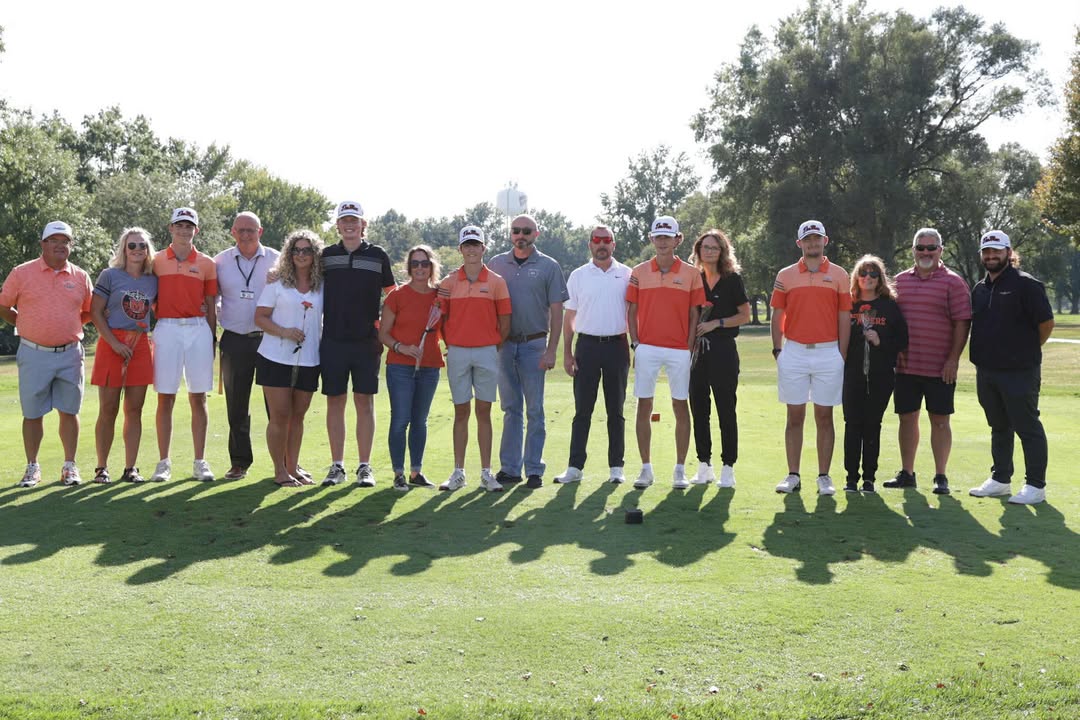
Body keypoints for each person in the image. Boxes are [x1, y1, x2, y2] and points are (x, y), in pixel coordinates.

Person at [0, 220, 93, 487]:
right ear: (43, 244)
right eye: (54, 240)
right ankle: (32, 467)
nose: (60, 245)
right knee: (32, 413)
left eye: (65, 242)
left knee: (69, 410)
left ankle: (69, 466)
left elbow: (88, 311)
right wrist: (25, 323)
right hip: (33, 352)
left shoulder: (80, 276)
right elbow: (4, 305)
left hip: (70, 354)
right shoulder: (22, 273)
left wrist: (68, 325)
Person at [967, 230, 1055, 505]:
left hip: (1020, 371)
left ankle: (1035, 485)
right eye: (987, 252)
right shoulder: (980, 288)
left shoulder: (1026, 285)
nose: (991, 256)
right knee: (999, 426)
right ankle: (1001, 479)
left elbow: (1046, 324)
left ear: (1008, 252)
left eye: (997, 251)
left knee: (1027, 426)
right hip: (987, 370)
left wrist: (1024, 351)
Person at [771, 220, 851, 496]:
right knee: (794, 415)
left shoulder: (840, 275)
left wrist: (841, 353)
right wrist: (778, 350)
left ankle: (824, 476)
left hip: (829, 351)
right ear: (800, 244)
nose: (813, 244)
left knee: (824, 415)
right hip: (793, 351)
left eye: (817, 239)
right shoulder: (786, 275)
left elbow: (844, 316)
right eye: (808, 240)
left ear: (825, 241)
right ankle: (793, 475)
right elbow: (777, 314)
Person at [888, 228, 971, 495]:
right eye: (920, 248)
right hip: (906, 366)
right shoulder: (899, 281)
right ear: (913, 250)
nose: (926, 252)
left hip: (940, 367)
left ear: (940, 250)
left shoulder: (954, 282)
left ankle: (940, 476)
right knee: (907, 419)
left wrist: (953, 361)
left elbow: (962, 323)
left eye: (931, 247)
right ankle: (907, 473)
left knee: (940, 421)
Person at [319, 201, 397, 487]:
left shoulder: (378, 255)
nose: (349, 225)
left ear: (363, 225)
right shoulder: (326, 255)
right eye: (344, 220)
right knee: (335, 401)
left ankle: (364, 466)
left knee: (364, 402)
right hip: (333, 340)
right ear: (337, 225)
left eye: (355, 220)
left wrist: (382, 328)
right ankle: (337, 466)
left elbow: (393, 294)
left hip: (366, 342)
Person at [488, 214, 568, 489]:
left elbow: (557, 311)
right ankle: (510, 468)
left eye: (526, 231)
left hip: (535, 344)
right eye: (515, 231)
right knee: (511, 408)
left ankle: (534, 469)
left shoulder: (549, 266)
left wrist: (551, 350)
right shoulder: (497, 264)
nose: (520, 235)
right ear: (510, 234)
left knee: (535, 409)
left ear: (536, 234)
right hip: (504, 345)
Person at [626, 216, 705, 490]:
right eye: (658, 237)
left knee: (680, 405)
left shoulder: (692, 273)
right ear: (651, 239)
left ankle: (680, 469)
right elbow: (632, 310)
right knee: (644, 405)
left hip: (678, 349)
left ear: (677, 239)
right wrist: (636, 342)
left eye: (667, 237)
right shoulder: (638, 271)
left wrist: (689, 342)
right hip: (647, 346)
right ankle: (646, 469)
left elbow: (695, 312)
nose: (662, 241)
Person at [554, 225, 631, 485]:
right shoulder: (578, 276)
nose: (602, 245)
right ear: (590, 244)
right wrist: (567, 352)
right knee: (582, 410)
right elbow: (570, 316)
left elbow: (635, 315)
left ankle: (616, 467)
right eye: (597, 240)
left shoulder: (627, 274)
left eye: (606, 240)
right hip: (586, 347)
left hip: (617, 346)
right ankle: (575, 467)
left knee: (615, 410)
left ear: (613, 244)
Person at [437, 226, 512, 492]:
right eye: (466, 245)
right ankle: (458, 473)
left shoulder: (496, 282)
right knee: (461, 411)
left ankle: (485, 473)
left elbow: (505, 322)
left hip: (486, 351)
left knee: (484, 412)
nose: (471, 249)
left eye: (475, 245)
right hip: (457, 351)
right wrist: (451, 343)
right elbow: (441, 318)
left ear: (483, 249)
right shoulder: (447, 283)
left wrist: (492, 345)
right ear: (460, 249)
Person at [150, 207, 218, 482]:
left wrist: (212, 339)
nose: (184, 230)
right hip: (166, 328)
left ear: (196, 231)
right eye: (179, 225)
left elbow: (212, 305)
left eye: (189, 226)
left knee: (198, 396)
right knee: (165, 396)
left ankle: (200, 461)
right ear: (170, 228)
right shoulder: (154, 261)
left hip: (198, 328)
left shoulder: (206, 263)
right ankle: (163, 462)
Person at [254, 230, 324, 487]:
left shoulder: (322, 284)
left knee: (298, 416)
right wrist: (284, 332)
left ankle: (293, 467)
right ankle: (279, 471)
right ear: (289, 254)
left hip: (309, 359)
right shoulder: (277, 282)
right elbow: (259, 317)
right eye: (297, 250)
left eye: (307, 250)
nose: (302, 255)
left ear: (315, 255)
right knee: (280, 415)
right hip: (274, 357)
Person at [89, 228, 158, 484]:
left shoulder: (153, 279)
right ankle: (101, 468)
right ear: (123, 249)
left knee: (134, 410)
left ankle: (131, 468)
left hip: (140, 345)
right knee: (108, 409)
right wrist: (115, 344)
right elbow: (95, 312)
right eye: (132, 246)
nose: (138, 250)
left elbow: (164, 305)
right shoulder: (110, 275)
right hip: (112, 344)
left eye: (142, 245)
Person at [214, 211, 280, 480]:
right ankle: (240, 461)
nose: (245, 234)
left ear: (260, 232)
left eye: (250, 230)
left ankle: (285, 461)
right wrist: (219, 315)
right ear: (232, 232)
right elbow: (211, 298)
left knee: (276, 406)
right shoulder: (220, 261)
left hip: (270, 339)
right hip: (234, 339)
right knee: (237, 405)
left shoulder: (277, 259)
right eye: (240, 230)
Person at [687, 229, 751, 488]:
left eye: (715, 247)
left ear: (722, 251)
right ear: (699, 251)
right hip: (697, 354)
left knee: (726, 410)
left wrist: (717, 324)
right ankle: (704, 465)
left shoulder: (732, 279)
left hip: (724, 351)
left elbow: (744, 315)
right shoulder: (694, 278)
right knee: (699, 410)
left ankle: (728, 467)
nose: (710, 251)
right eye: (706, 247)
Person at [378, 245, 444, 491]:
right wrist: (400, 347)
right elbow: (383, 334)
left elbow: (447, 327)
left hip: (430, 367)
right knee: (400, 420)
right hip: (400, 367)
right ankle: (398, 473)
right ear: (408, 268)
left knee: (420, 420)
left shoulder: (440, 296)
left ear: (431, 267)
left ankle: (416, 471)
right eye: (415, 264)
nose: (419, 268)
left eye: (424, 263)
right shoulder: (396, 296)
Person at [841, 255, 908, 493]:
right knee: (852, 424)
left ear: (880, 278)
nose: (867, 278)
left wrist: (880, 340)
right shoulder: (847, 304)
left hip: (880, 375)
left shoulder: (889, 306)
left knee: (872, 425)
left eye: (873, 274)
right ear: (856, 277)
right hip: (851, 374)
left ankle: (869, 477)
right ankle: (850, 477)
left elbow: (902, 340)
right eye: (863, 273)